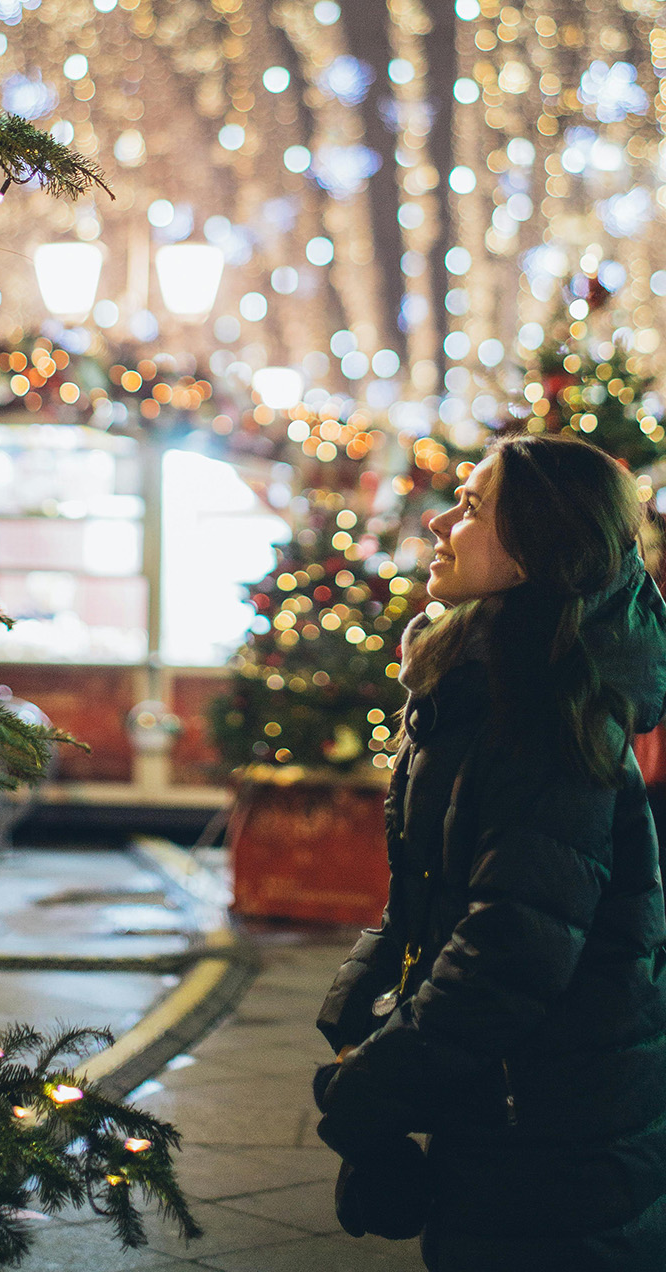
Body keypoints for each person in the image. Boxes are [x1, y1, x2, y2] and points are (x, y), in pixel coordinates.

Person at [312, 434, 666, 1271]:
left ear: (533, 550)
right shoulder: (485, 679)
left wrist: (375, 1092)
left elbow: (511, 948)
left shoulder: (542, 715)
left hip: (558, 1129)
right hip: (520, 1104)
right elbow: (441, 888)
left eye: (471, 508)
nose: (439, 522)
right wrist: (368, 980)